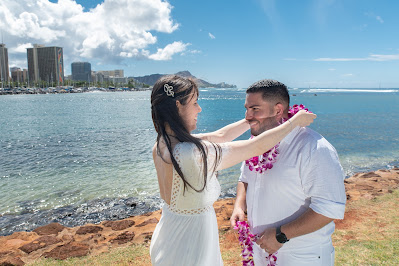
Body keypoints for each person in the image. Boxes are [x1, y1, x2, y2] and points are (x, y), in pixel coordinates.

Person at [149, 75, 316, 265]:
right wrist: (294, 122)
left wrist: (252, 118)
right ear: (178, 106)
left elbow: (221, 135)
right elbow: (255, 147)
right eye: (195, 103)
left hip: (170, 232)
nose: (199, 109)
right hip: (190, 242)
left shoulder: (163, 143)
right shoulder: (191, 153)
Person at [230, 79, 346, 265]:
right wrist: (239, 205)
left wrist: (280, 235)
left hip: (301, 257)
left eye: (255, 109)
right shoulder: (257, 143)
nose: (247, 116)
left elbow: (330, 208)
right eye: (247, 108)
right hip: (260, 252)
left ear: (277, 110)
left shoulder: (313, 147)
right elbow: (245, 178)